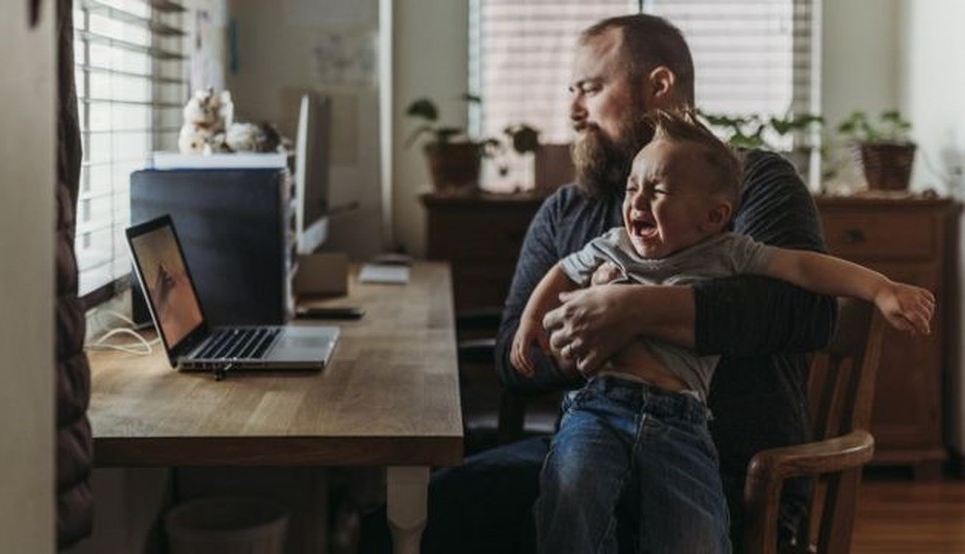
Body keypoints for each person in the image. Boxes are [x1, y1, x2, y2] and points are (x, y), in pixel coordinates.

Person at [358, 13, 832, 554]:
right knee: (396, 523)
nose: (574, 111)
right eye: (572, 92)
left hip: (729, 470)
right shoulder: (566, 211)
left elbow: (805, 311)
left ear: (659, 86)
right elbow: (512, 356)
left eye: (590, 88)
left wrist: (632, 310)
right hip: (590, 448)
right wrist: (576, 341)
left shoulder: (755, 182)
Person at [510, 109, 933, 553]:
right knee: (570, 498)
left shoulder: (728, 254)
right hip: (600, 407)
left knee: (698, 535)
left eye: (658, 191)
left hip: (681, 419)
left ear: (713, 216)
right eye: (632, 188)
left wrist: (880, 288)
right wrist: (530, 321)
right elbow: (562, 270)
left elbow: (803, 267)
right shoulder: (613, 246)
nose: (637, 202)